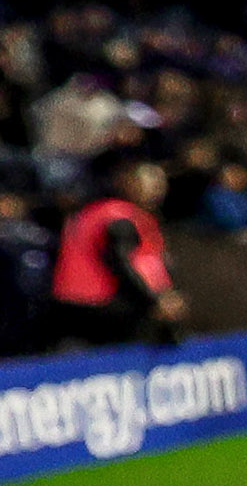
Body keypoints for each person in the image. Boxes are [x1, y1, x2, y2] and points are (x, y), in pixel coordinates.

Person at [50, 147, 181, 347]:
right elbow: (122, 264)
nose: (158, 191)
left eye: (160, 183)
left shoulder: (97, 210)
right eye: (151, 184)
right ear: (129, 183)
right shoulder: (119, 218)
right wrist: (155, 301)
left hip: (70, 301)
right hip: (98, 304)